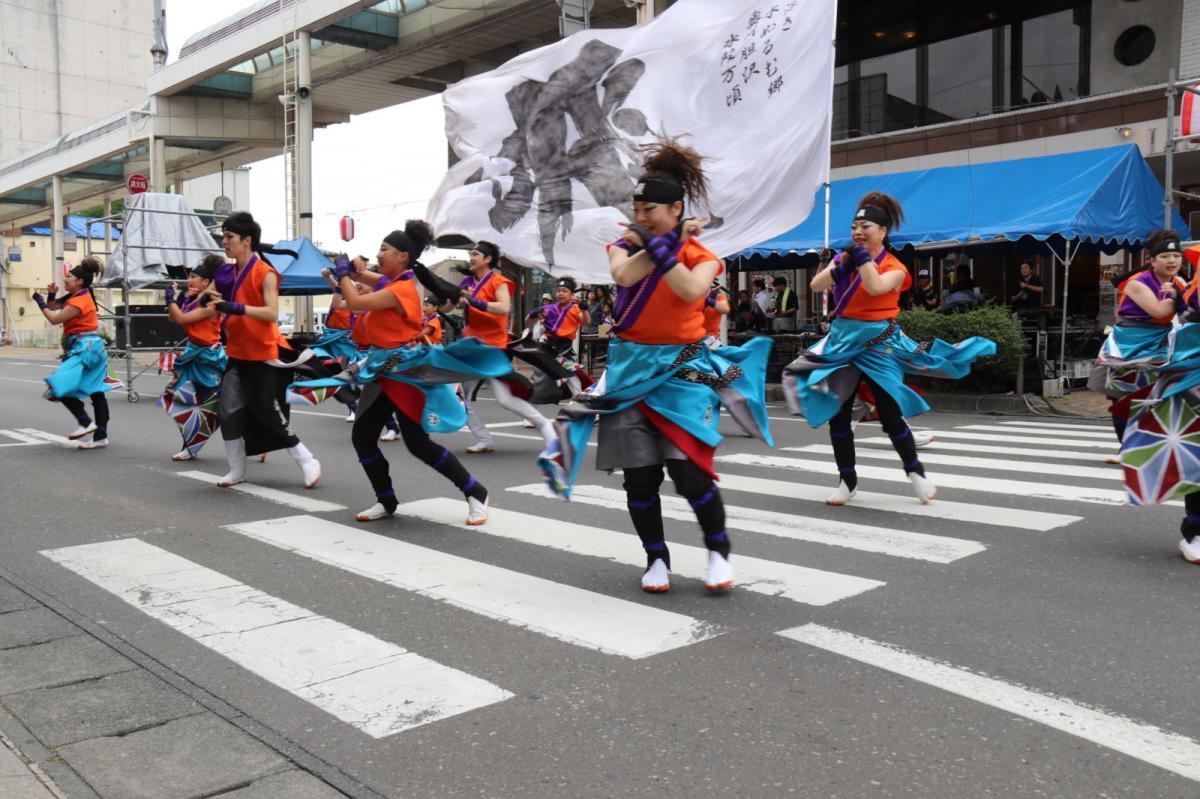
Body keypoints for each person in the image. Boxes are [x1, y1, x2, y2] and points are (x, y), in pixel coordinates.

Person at [539, 139, 775, 594]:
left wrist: (669, 245)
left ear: (677, 208)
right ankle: (656, 559)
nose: (641, 215)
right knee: (640, 478)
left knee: (688, 472)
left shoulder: (702, 257)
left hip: (682, 372)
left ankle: (718, 550)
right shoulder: (622, 248)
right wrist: (661, 240)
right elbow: (625, 276)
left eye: (651, 209)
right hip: (630, 373)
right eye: (638, 207)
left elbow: (689, 291)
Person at [784, 192, 996, 506]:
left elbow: (876, 287)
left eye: (865, 226)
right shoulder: (846, 258)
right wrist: (838, 265)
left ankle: (916, 472)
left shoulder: (896, 267)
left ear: (882, 231)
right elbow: (816, 286)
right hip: (843, 342)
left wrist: (861, 260)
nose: (858, 231)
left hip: (879, 345)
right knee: (839, 417)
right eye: (855, 226)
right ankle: (847, 481)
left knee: (890, 412)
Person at [294, 221, 510, 522]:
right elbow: (360, 278)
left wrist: (344, 272)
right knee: (363, 437)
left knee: (419, 445)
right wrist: (350, 267)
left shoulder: (401, 291)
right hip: (381, 372)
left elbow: (354, 302)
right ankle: (386, 500)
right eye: (379, 248)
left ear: (403, 257)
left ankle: (476, 491)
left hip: (404, 375)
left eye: (385, 249)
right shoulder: (389, 283)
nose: (378, 254)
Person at [210, 211, 321, 489]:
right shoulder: (227, 272)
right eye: (223, 236)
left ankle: (306, 459)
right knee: (226, 411)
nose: (224, 242)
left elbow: (271, 313)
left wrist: (234, 308)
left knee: (268, 413)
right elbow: (208, 297)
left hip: (263, 354)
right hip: (237, 354)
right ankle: (237, 469)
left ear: (246, 240)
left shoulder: (265, 273)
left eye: (229, 237)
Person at [1089, 230, 1187, 453]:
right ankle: (1127, 446)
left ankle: (1149, 444)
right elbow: (1158, 310)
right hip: (1128, 344)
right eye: (1164, 256)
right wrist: (1180, 298)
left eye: (1176, 256)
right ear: (1151, 260)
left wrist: (1182, 296)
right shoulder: (1136, 283)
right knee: (1123, 397)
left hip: (1160, 343)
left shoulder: (1179, 282)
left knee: (1158, 395)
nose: (1172, 261)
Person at [458, 241, 557, 453]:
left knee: (504, 399)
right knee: (460, 397)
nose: (471, 257)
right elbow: (449, 304)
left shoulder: (498, 281)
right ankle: (484, 439)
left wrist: (474, 302)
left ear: (488, 259)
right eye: (470, 254)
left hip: (493, 349)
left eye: (475, 254)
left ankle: (545, 426)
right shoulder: (469, 284)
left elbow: (504, 308)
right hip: (470, 347)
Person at [35, 257, 117, 449]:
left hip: (85, 348)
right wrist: (50, 295)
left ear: (79, 281)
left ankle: (85, 422)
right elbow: (55, 305)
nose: (65, 278)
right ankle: (101, 436)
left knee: (59, 384)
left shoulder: (80, 299)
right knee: (97, 392)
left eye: (69, 276)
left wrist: (40, 304)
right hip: (91, 348)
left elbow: (54, 318)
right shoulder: (78, 295)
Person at [160, 254, 226, 461]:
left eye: (193, 276)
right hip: (192, 354)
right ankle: (191, 445)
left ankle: (246, 437)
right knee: (174, 399)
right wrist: (179, 299)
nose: (189, 280)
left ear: (206, 282)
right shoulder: (195, 299)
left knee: (221, 406)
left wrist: (171, 299)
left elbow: (180, 318)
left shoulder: (212, 303)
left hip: (208, 358)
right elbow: (173, 318)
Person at [701, 280, 730, 347]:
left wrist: (709, 300)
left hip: (711, 338)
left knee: (715, 356)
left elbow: (725, 309)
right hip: (693, 338)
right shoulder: (691, 295)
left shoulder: (717, 295)